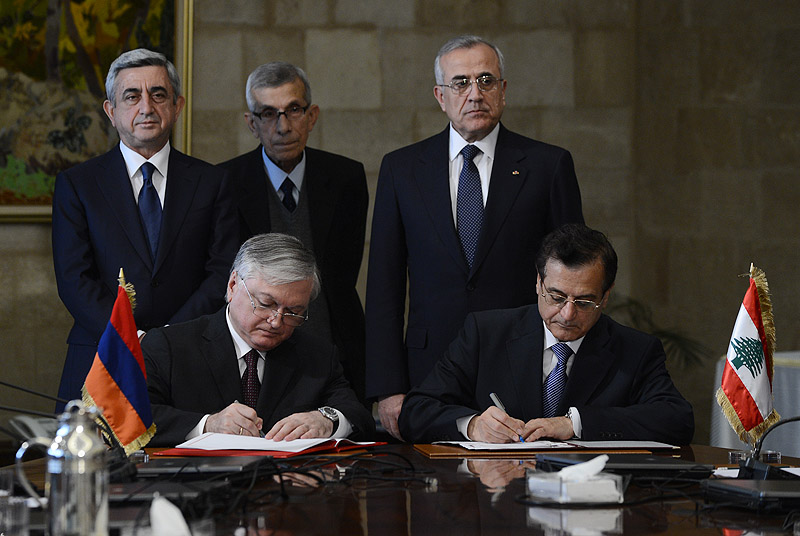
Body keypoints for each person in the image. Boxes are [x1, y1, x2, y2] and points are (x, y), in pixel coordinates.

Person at [366, 35, 584, 439]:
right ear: (440, 96)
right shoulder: (401, 169)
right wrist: (388, 387)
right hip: (429, 367)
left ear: (503, 90)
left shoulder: (548, 165)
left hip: (522, 361)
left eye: (486, 80)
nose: (475, 93)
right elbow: (384, 286)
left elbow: (573, 275)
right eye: (461, 83)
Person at [52, 48, 238, 411]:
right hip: (101, 353)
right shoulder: (78, 185)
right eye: (132, 96)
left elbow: (223, 273)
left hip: (191, 356)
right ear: (111, 110)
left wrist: (169, 338)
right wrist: (130, 336)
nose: (146, 107)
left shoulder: (212, 182)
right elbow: (74, 279)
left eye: (158, 94)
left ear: (177, 106)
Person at [398, 223, 695, 445]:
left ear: (605, 297)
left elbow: (677, 420)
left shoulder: (634, 350)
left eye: (584, 302)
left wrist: (575, 423)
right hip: (499, 498)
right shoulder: (485, 333)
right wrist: (472, 425)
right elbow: (415, 412)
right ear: (538, 284)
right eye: (556, 297)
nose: (567, 314)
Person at [220, 62, 368, 405]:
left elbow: (344, 275)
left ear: (312, 116)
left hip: (334, 349)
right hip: (255, 353)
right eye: (268, 114)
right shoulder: (225, 182)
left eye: (294, 110)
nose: (283, 126)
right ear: (251, 123)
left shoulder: (346, 178)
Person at [142, 233, 374, 446]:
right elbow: (134, 418)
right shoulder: (169, 346)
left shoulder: (317, 355)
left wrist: (326, 420)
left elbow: (358, 416)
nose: (276, 322)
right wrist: (207, 425)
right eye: (266, 304)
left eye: (293, 312)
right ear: (233, 286)